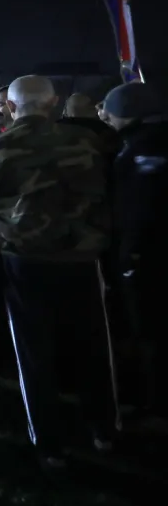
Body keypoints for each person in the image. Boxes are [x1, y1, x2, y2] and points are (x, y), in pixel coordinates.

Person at [0, 76, 118, 469]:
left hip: (24, 261)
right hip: (81, 258)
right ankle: (104, 428)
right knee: (92, 347)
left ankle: (49, 442)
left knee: (33, 353)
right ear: (53, 102)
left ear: (10, 106)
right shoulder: (87, 142)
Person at [101, 81, 168, 418]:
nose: (106, 117)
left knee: (150, 327)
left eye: (110, 111)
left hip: (147, 255)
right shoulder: (143, 142)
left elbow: (139, 209)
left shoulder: (146, 150)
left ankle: (154, 400)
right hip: (147, 250)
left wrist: (131, 253)